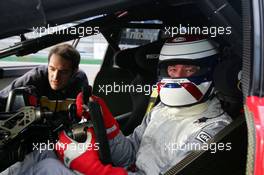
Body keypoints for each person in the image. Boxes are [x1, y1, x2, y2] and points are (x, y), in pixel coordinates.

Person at [0, 36, 232, 175]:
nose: (178, 76)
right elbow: (129, 154)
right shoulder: (163, 110)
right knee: (43, 154)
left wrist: (99, 171)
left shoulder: (213, 130)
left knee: (47, 168)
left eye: (189, 69)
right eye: (172, 69)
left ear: (209, 72)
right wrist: (106, 122)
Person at [0, 43, 89, 111]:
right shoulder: (36, 76)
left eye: (63, 72)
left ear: (74, 71)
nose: (55, 77)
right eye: (52, 69)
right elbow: (2, 98)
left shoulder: (80, 81)